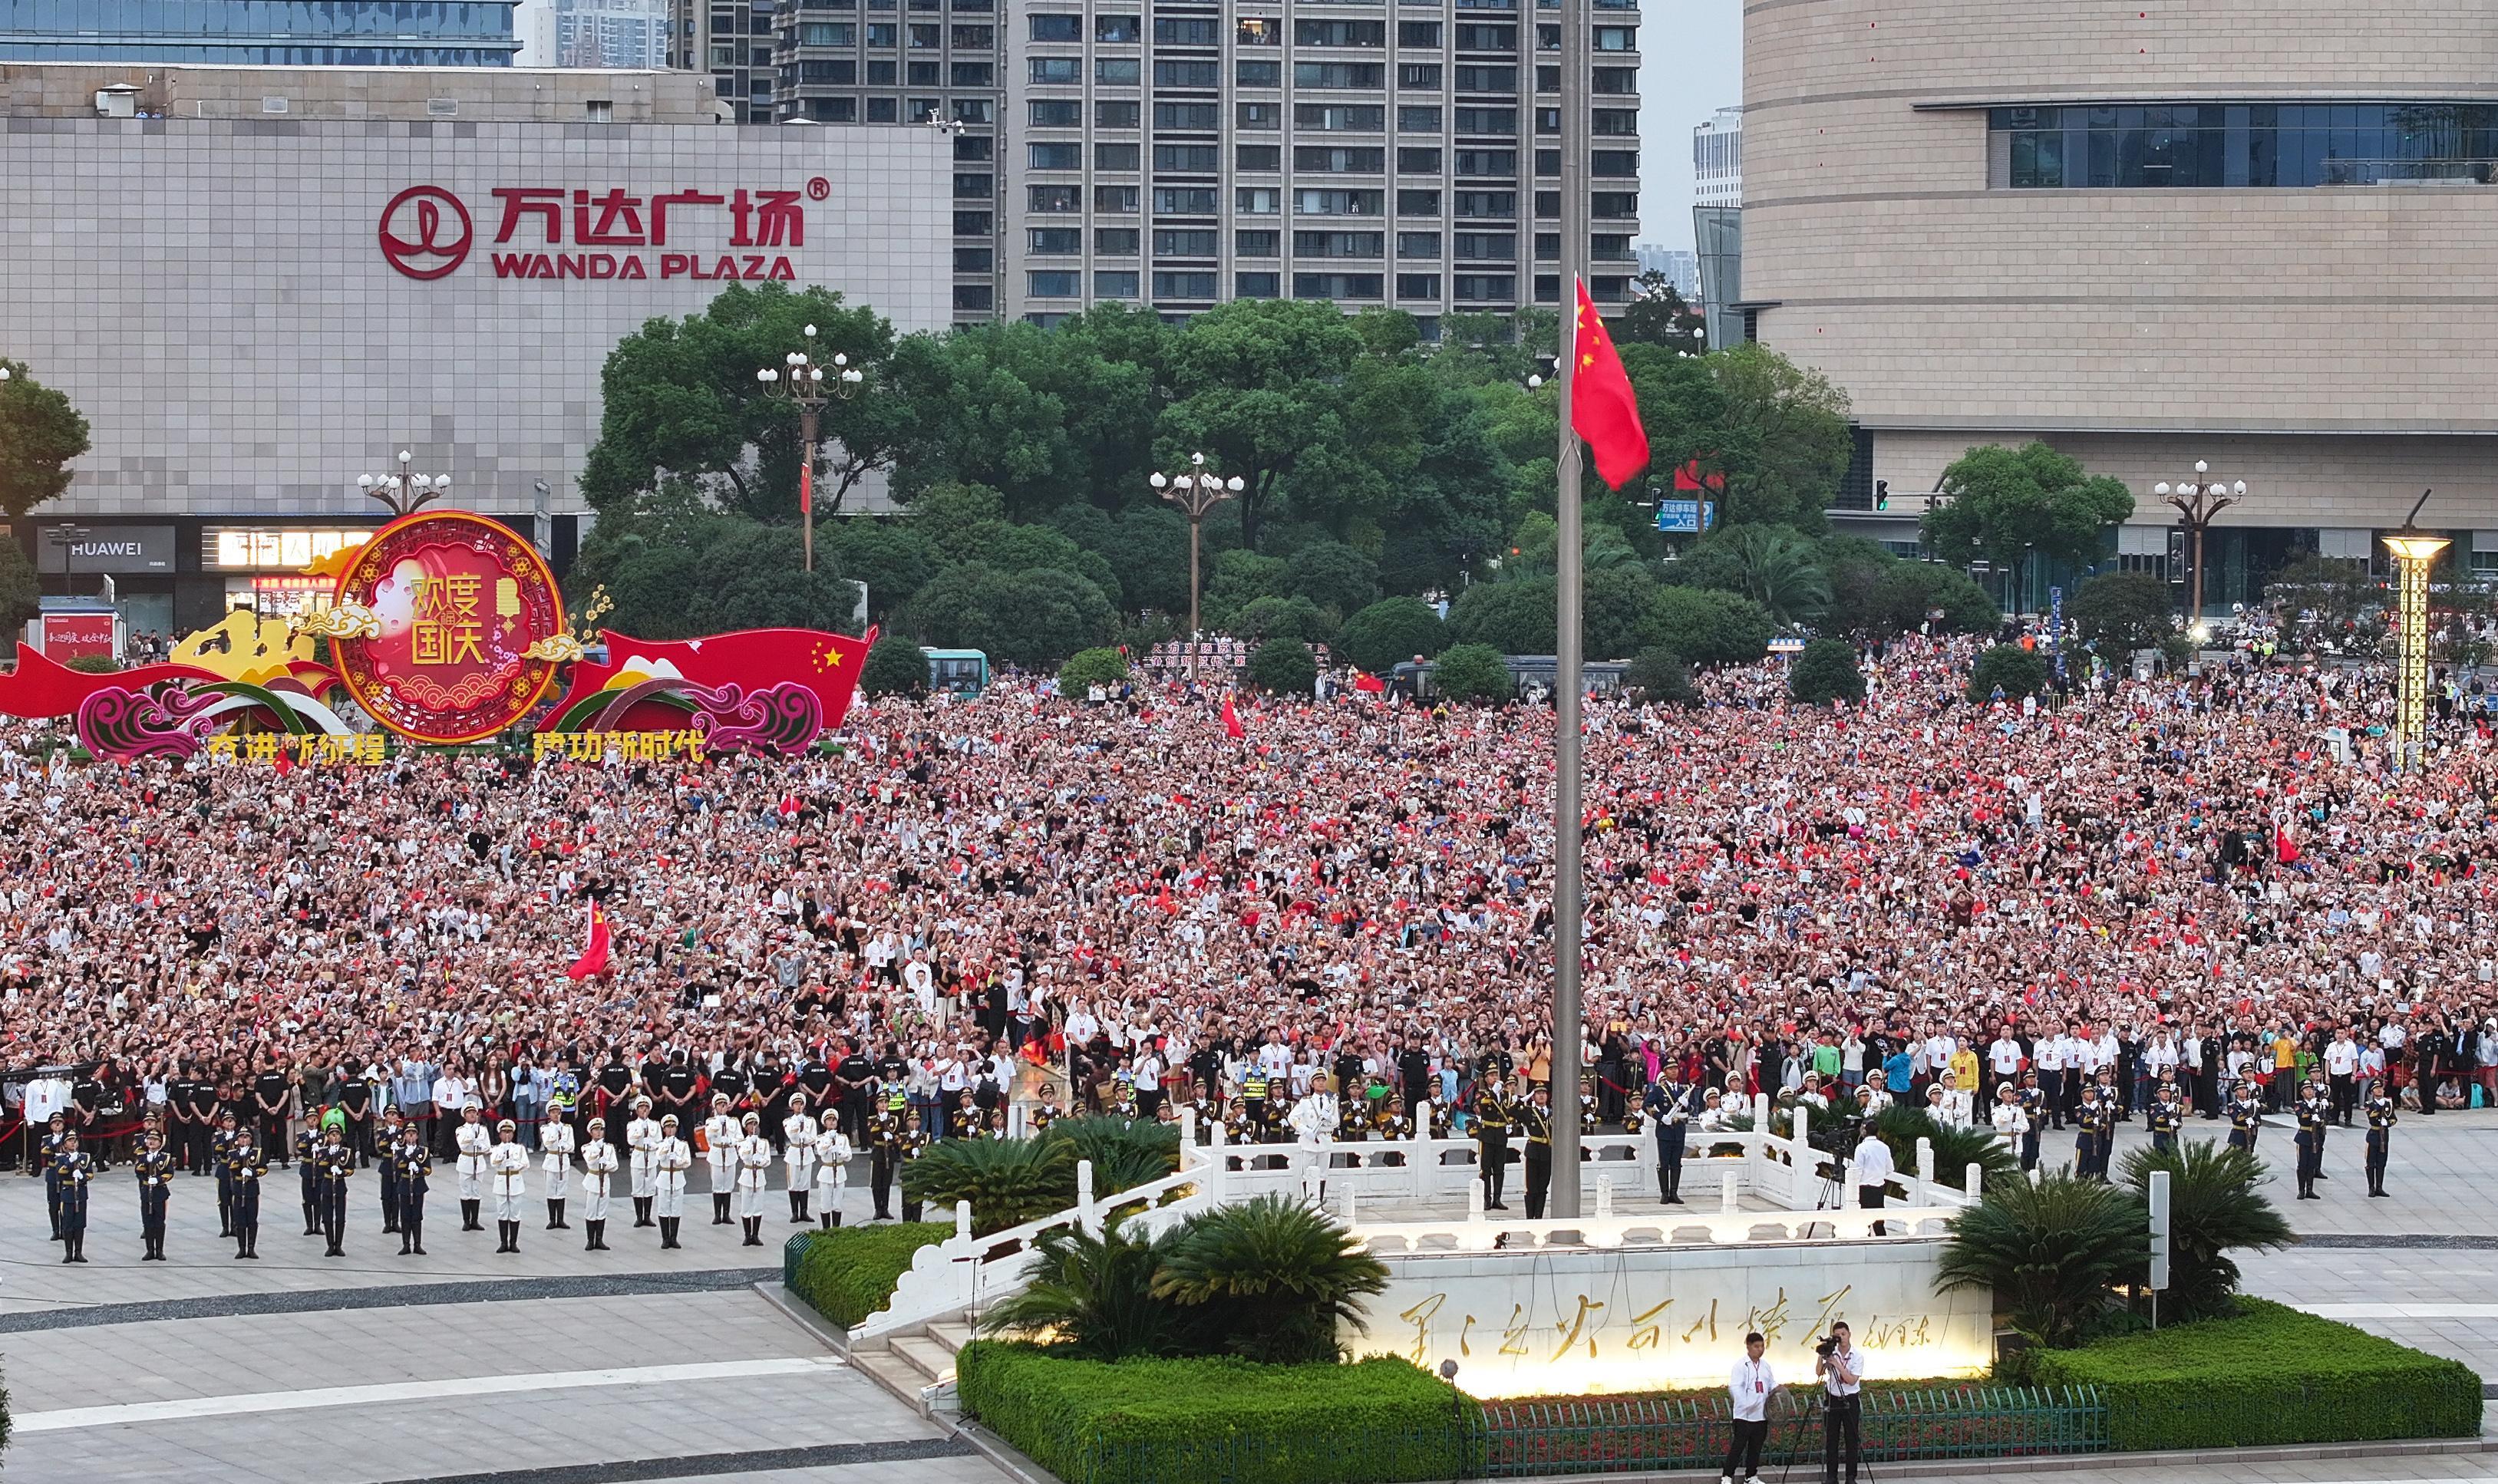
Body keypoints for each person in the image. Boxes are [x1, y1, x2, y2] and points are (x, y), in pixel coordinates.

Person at [1721, 1330, 1776, 1484]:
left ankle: (1751, 1476)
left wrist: (1777, 1389)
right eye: (1756, 1346)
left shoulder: (1765, 1366)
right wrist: (1746, 1403)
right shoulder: (1741, 1366)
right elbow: (1735, 1387)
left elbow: (1771, 1383)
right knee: (1738, 1447)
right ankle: (1727, 1476)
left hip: (1761, 1414)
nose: (1760, 1349)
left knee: (1755, 1448)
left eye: (1762, 1346)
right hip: (1744, 1415)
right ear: (1748, 1347)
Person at [1817, 1320, 1866, 1484]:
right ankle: (1832, 1477)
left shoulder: (1857, 1356)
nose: (1841, 1338)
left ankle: (1851, 1477)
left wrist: (1838, 1365)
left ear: (1849, 1334)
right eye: (1837, 1335)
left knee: (1851, 1439)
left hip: (1850, 1399)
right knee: (1832, 1440)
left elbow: (1852, 1380)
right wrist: (1822, 1355)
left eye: (1843, 1334)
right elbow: (1819, 1373)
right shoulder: (1832, 1352)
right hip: (1833, 1398)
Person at [1645, 1069, 1695, 1205]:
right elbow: (1647, 1105)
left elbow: (1691, 1109)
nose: (1674, 1072)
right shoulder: (1658, 1089)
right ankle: (1664, 1193)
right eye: (1670, 1069)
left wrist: (1686, 1104)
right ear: (1665, 1072)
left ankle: (1674, 1192)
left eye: (1675, 1069)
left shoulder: (1683, 1089)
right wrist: (1660, 1117)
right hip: (1664, 1130)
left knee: (1676, 1163)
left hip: (1679, 1130)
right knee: (1664, 1163)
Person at [1472, 1075, 1514, 1210]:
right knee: (1486, 1169)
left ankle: (1497, 1199)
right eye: (1491, 1075)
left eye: (1496, 1074)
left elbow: (1510, 1111)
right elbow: (1481, 1106)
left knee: (1499, 1169)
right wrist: (1493, 1092)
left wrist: (1511, 1123)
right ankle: (1486, 1199)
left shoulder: (1506, 1095)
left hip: (1501, 1134)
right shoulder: (1482, 1094)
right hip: (1487, 1134)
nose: (1494, 1077)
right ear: (1486, 1079)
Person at [488, 1118, 530, 1252]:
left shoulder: (519, 1148)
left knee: (515, 1213)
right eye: (504, 1132)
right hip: (501, 1182)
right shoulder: (496, 1149)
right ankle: (503, 1243)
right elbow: (494, 1163)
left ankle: (513, 1243)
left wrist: (514, 1164)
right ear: (500, 1134)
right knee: (502, 1213)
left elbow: (526, 1164)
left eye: (509, 1132)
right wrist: (502, 1154)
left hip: (515, 1181)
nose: (507, 1135)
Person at [653, 1113, 693, 1249]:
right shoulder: (661, 1144)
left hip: (677, 1176)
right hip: (665, 1176)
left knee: (676, 1208)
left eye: (673, 1127)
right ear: (664, 1129)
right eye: (668, 1127)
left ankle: (674, 1238)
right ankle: (665, 1238)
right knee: (663, 1208)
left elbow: (687, 1162)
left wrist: (677, 1159)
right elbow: (659, 1157)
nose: (671, 1130)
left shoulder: (682, 1145)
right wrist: (666, 1149)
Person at [228, 1123, 267, 1260]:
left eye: (246, 1137)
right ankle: (241, 1248)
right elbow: (232, 1167)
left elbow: (264, 1168)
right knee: (240, 1221)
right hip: (239, 1188)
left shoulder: (257, 1153)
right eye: (241, 1137)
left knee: (252, 1220)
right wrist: (240, 1157)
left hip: (251, 1188)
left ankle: (251, 1248)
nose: (244, 1140)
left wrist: (253, 1173)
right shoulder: (233, 1153)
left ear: (251, 1140)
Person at [134, 1127, 173, 1261]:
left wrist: (159, 1180)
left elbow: (169, 1173)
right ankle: (150, 1250)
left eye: (155, 1140)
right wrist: (147, 1163)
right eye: (150, 1139)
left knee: (159, 1222)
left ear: (160, 1143)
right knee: (148, 1222)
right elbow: (138, 1172)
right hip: (146, 1191)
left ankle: (160, 1250)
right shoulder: (142, 1157)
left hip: (159, 1192)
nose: (152, 1142)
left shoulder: (165, 1157)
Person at [734, 1110, 774, 1246]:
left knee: (758, 1207)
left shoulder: (764, 1143)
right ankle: (747, 1235)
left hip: (760, 1176)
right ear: (746, 1127)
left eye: (755, 1124)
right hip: (747, 1174)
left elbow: (767, 1161)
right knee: (746, 1207)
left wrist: (760, 1160)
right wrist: (751, 1148)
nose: (753, 1127)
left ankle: (755, 1235)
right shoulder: (742, 1143)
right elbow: (744, 1156)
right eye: (750, 1124)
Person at [391, 1120, 431, 1255]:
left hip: (418, 1185)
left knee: (417, 1216)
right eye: (408, 1133)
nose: (411, 1136)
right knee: (405, 1216)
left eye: (414, 1133)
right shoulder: (401, 1151)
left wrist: (419, 1170)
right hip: (405, 1184)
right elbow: (397, 1167)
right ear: (404, 1136)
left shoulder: (423, 1151)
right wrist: (407, 1157)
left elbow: (428, 1170)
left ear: (417, 1136)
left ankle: (418, 1244)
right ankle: (406, 1244)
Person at [53, 1129, 92, 1263]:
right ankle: (68, 1252)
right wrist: (70, 1162)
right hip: (68, 1194)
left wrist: (82, 1177)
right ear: (64, 1144)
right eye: (69, 1141)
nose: (73, 1143)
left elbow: (90, 1174)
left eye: (74, 1141)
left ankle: (78, 1252)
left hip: (81, 1193)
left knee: (80, 1224)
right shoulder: (60, 1158)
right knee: (68, 1225)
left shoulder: (85, 1157)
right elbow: (59, 1174)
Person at [315, 1124, 355, 1257]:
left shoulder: (346, 1152)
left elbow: (350, 1169)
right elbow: (319, 1165)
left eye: (337, 1134)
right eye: (332, 1134)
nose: (335, 1137)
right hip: (327, 1184)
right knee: (327, 1218)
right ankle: (330, 1245)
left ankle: (338, 1245)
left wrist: (341, 1172)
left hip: (339, 1185)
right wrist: (329, 1156)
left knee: (340, 1217)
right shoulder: (323, 1151)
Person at [579, 1116, 617, 1252]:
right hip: (593, 1179)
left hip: (604, 1180)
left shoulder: (609, 1148)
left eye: (601, 1129)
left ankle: (599, 1240)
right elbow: (590, 1161)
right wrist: (598, 1152)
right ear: (591, 1132)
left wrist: (605, 1164)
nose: (599, 1132)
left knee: (602, 1212)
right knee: (591, 1211)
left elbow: (615, 1166)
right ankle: (590, 1240)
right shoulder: (587, 1147)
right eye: (596, 1130)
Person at [702, 1091, 741, 1226]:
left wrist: (730, 1141)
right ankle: (717, 1214)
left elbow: (740, 1138)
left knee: (728, 1185)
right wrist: (719, 1123)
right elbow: (709, 1136)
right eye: (719, 1105)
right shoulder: (710, 1121)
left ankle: (726, 1214)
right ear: (715, 1107)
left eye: (724, 1104)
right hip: (717, 1153)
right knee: (718, 1184)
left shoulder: (734, 1121)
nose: (722, 1107)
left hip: (730, 1153)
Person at [1850, 1126, 1894, 1236]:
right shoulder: (1884, 1147)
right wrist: (1878, 1175)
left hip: (1864, 1188)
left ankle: (1865, 1243)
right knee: (1879, 1223)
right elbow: (1890, 1169)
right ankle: (1883, 1243)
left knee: (1864, 1223)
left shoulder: (1861, 1148)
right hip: (1879, 1189)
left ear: (1864, 1132)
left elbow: (1858, 1170)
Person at [453, 1103, 491, 1232]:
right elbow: (462, 1145)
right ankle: (466, 1221)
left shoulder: (483, 1130)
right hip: (466, 1161)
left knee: (476, 1192)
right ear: (465, 1116)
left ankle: (475, 1221)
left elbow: (488, 1149)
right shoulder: (461, 1130)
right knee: (465, 1192)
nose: (472, 1115)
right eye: (469, 1113)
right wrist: (471, 1133)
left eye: (474, 1112)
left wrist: (480, 1145)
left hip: (478, 1161)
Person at [1519, 1085, 1555, 1220]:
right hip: (1533, 1152)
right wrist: (1523, 1100)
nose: (1541, 1096)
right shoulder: (1529, 1112)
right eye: (1538, 1093)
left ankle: (1539, 1217)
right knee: (1531, 1187)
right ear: (1533, 1097)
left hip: (1547, 1152)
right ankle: (1530, 1218)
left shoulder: (1552, 1112)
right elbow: (1511, 1111)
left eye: (1544, 1093)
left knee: (1543, 1188)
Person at [626, 1097, 662, 1228]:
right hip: (639, 1156)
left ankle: (647, 1216)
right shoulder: (632, 1125)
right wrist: (641, 1130)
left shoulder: (655, 1125)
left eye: (646, 1107)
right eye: (641, 1108)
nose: (644, 1110)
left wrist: (652, 1145)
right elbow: (631, 1141)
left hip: (651, 1157)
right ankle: (639, 1217)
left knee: (650, 1188)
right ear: (637, 1110)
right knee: (637, 1188)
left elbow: (659, 1142)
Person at [784, 1093, 820, 1224]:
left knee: (805, 1183)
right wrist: (798, 1126)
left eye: (800, 1104)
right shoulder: (788, 1121)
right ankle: (795, 1212)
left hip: (807, 1152)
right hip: (794, 1152)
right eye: (796, 1104)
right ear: (792, 1106)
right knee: (794, 1184)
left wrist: (806, 1137)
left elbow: (813, 1138)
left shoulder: (811, 1121)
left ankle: (804, 1211)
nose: (798, 1106)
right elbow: (791, 1135)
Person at [812, 1116, 853, 1229]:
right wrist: (829, 1142)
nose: (832, 1122)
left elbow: (849, 1156)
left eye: (834, 1120)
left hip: (839, 1172)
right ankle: (826, 1230)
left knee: (837, 1203)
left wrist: (840, 1152)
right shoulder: (821, 1138)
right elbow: (821, 1152)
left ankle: (836, 1229)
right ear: (824, 1123)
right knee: (825, 1203)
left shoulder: (843, 1138)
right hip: (826, 1172)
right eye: (829, 1120)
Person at [541, 1102, 576, 1229]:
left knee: (562, 1191)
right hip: (552, 1159)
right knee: (551, 1190)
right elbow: (548, 1143)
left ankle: (560, 1219)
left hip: (563, 1160)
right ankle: (552, 1219)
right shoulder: (546, 1128)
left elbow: (571, 1146)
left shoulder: (568, 1128)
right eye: (553, 1112)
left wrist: (563, 1146)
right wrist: (556, 1135)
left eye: (558, 1112)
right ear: (549, 1114)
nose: (556, 1115)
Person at [2292, 1079, 2328, 1201]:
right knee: (2302, 1165)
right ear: (2302, 1092)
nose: (2310, 1091)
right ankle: (2301, 1190)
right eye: (2307, 1089)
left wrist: (2321, 1114)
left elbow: (2323, 1119)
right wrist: (2311, 1110)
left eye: (2311, 1089)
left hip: (2314, 1137)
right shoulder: (2299, 1105)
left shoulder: (2318, 1105)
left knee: (2312, 1165)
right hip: (2303, 1137)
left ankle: (2310, 1189)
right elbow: (2302, 1117)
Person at [2364, 1083, 2397, 1198]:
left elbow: (2393, 1118)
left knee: (2382, 1163)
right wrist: (2380, 1107)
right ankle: (2371, 1187)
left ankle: (2379, 1187)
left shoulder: (2388, 1104)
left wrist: (2387, 1123)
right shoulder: (2370, 1104)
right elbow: (2372, 1116)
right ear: (2372, 1092)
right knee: (2370, 1163)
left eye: (2381, 1088)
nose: (2379, 1090)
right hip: (2374, 1134)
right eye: (2376, 1089)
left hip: (2384, 1136)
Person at [2147, 1080, 2182, 1156]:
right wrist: (2167, 1111)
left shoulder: (2175, 1107)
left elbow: (2180, 1123)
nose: (2166, 1094)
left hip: (2172, 1137)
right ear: (2158, 1094)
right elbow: (2157, 1120)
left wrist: (2177, 1124)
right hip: (2160, 1139)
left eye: (2168, 1092)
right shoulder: (2154, 1107)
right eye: (2163, 1092)